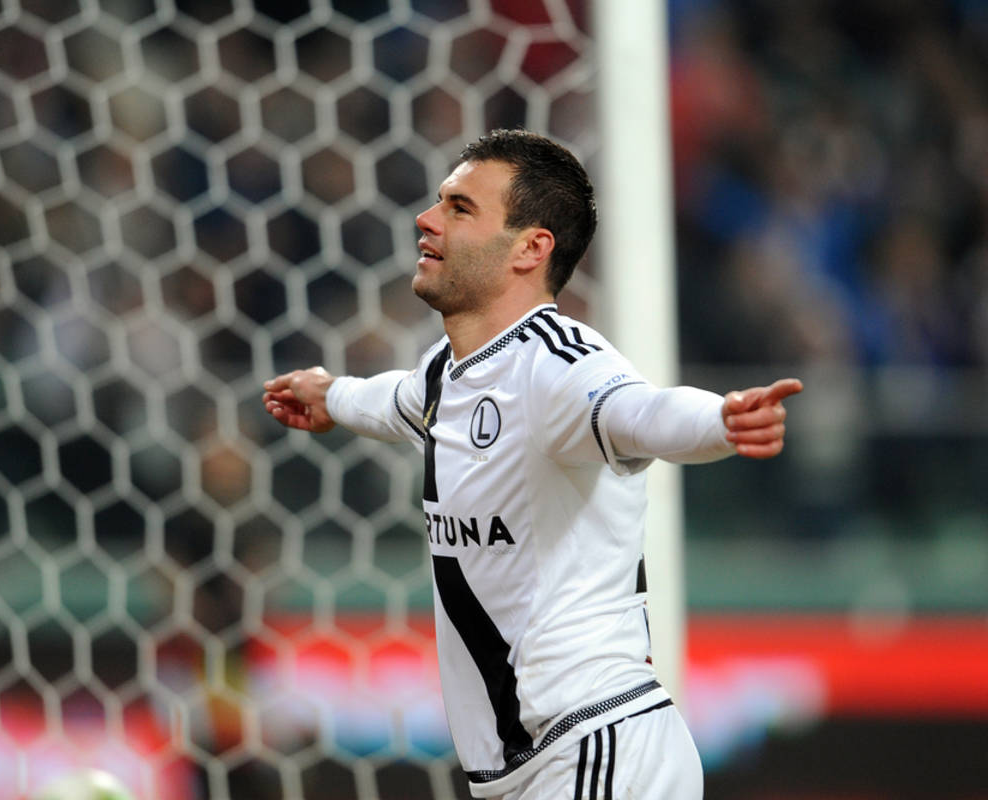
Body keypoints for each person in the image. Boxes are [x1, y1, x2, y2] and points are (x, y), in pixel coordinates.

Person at [263, 129, 801, 800]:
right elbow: (392, 400)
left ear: (530, 248)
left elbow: (640, 411)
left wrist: (720, 420)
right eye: (439, 201)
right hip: (535, 767)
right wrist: (329, 395)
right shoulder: (446, 374)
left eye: (460, 209)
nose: (427, 220)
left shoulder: (558, 367)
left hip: (596, 747)